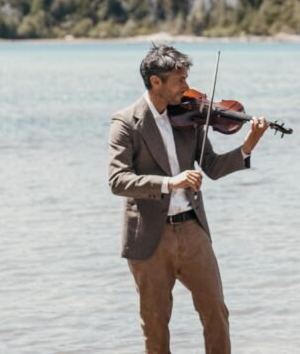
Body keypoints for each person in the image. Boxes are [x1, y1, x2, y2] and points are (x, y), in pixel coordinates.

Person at [108, 44, 269, 353]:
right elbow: (118, 180)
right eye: (179, 80)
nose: (187, 86)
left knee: (216, 312)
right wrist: (170, 183)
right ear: (156, 81)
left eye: (186, 78)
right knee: (155, 324)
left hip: (192, 230)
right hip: (150, 237)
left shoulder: (189, 117)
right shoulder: (126, 122)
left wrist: (248, 145)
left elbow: (213, 167)